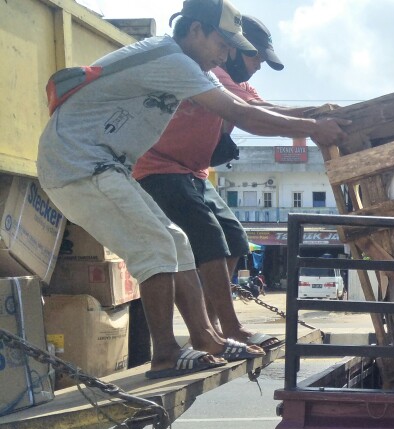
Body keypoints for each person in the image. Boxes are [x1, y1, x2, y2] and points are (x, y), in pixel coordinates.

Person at [37, 0, 350, 379]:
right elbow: (243, 114)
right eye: (222, 42)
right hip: (77, 162)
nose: (227, 52)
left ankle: (206, 338)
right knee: (154, 245)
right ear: (195, 30)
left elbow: (242, 105)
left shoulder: (195, 66)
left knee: (178, 242)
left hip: (105, 164)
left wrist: (314, 117)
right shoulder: (172, 59)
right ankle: (166, 353)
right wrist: (315, 128)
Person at [134, 14, 324, 352]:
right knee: (207, 237)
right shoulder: (215, 75)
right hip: (159, 167)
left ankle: (211, 327)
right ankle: (227, 328)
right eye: (254, 57)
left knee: (236, 240)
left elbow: (264, 108)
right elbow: (250, 117)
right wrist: (315, 125)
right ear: (234, 50)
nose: (258, 66)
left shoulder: (236, 82)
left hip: (193, 172)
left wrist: (320, 113)